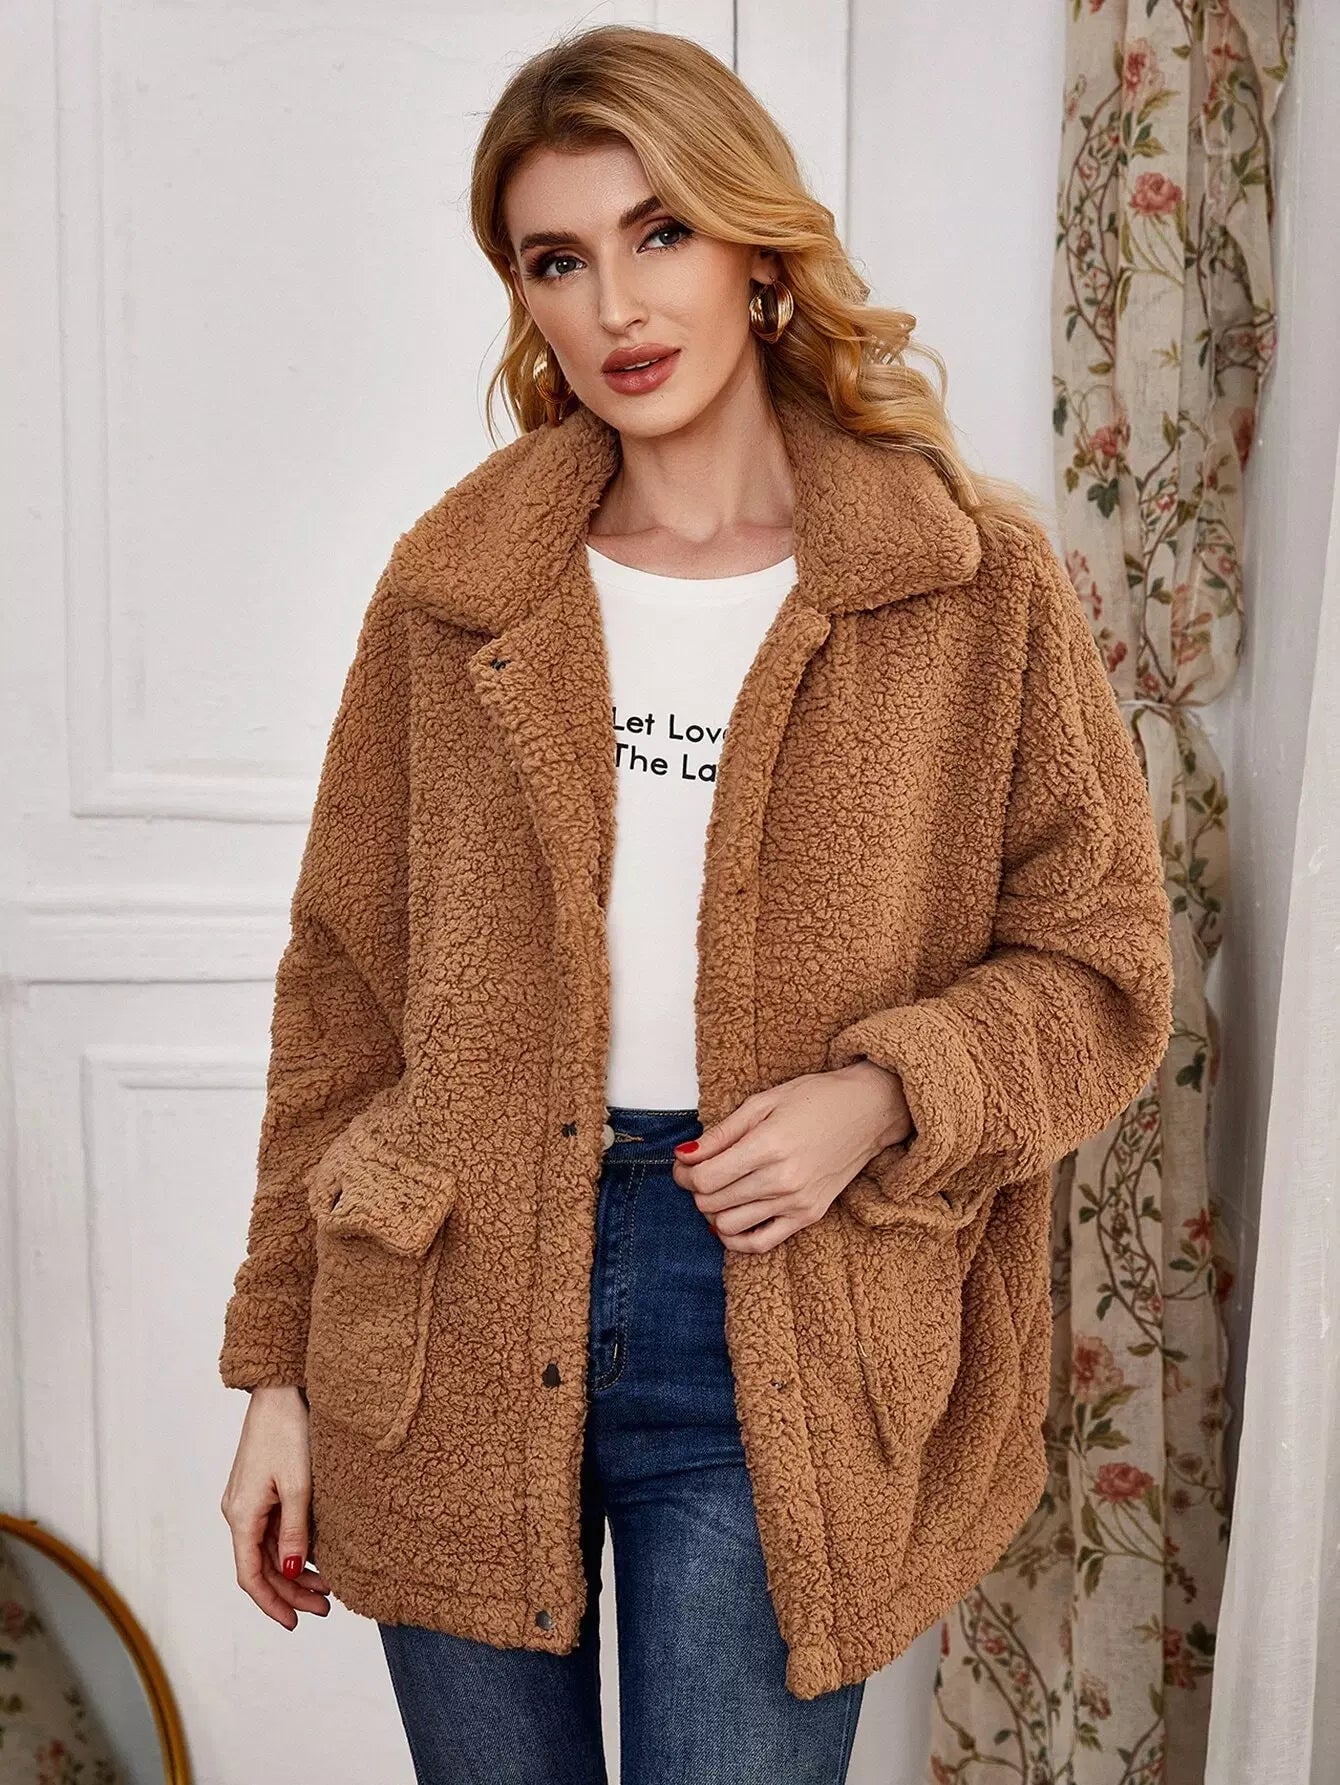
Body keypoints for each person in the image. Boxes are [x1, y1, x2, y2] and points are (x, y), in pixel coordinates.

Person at [217, 22, 1174, 1785]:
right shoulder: (456, 587)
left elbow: (1104, 968)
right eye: (556, 259)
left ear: (755, 245)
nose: (616, 305)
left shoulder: (964, 582)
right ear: (523, 294)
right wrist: (277, 1367)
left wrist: (878, 1095)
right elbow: (344, 990)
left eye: (658, 231)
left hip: (778, 1302)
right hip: (447, 1300)